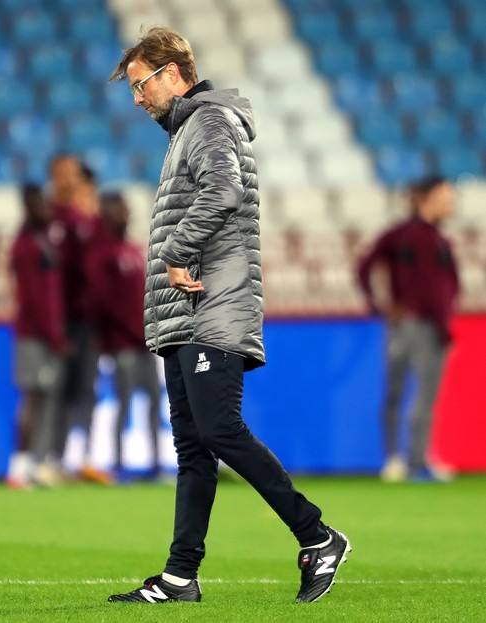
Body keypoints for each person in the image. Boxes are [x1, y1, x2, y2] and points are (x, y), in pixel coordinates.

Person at [105, 26, 349, 604]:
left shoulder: (209, 121)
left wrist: (177, 252)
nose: (137, 99)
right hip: (186, 311)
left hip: (213, 304)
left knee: (218, 431)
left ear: (172, 74)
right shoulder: (188, 129)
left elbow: (224, 191)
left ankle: (317, 535)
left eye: (141, 85)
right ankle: (179, 576)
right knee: (193, 446)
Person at [357, 177, 459, 483]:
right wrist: (380, 305)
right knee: (414, 394)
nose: (449, 204)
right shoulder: (406, 236)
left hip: (422, 324)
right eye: (444, 197)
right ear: (423, 199)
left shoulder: (436, 239)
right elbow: (365, 267)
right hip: (419, 324)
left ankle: (404, 460)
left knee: (404, 393)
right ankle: (408, 460)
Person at [86, 193, 162, 480]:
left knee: (154, 401)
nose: (125, 215)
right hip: (123, 343)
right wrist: (131, 331)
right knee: (125, 401)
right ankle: (117, 461)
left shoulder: (131, 249)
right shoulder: (102, 254)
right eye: (119, 210)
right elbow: (103, 301)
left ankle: (155, 462)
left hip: (143, 341)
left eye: (126, 210)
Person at [46, 155, 104, 484]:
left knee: (83, 390)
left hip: (86, 321)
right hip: (60, 320)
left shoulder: (90, 224)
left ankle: (77, 458)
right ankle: (46, 456)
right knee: (55, 391)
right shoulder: (50, 218)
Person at [7, 185, 67, 488]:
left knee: (45, 397)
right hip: (33, 334)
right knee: (32, 397)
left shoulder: (44, 241)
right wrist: (52, 333)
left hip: (46, 333)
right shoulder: (26, 246)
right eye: (36, 204)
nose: (44, 209)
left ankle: (36, 461)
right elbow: (32, 297)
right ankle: (18, 465)